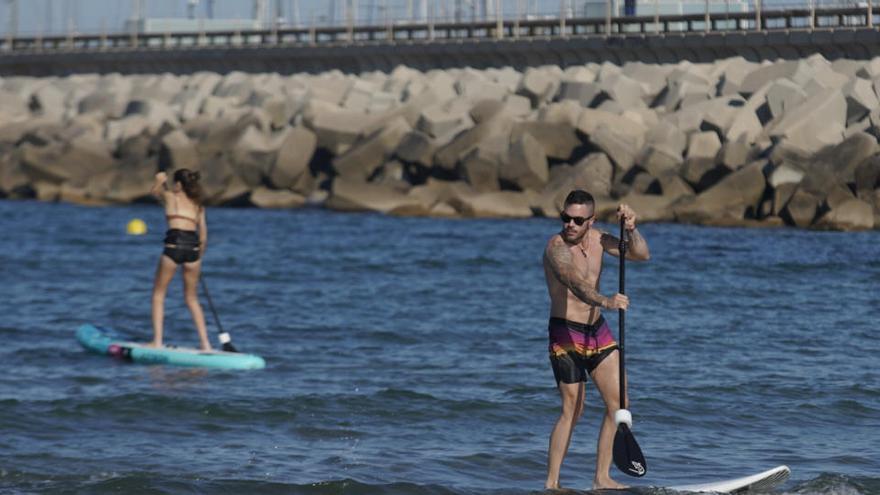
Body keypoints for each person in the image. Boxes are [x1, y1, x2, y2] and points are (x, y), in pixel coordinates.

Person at [542, 190, 650, 490]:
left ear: (592, 220)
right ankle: (552, 484)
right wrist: (605, 301)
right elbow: (573, 282)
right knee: (573, 408)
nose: (570, 225)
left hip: (597, 330)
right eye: (566, 218)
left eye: (578, 220)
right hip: (565, 332)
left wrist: (631, 229)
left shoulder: (602, 239)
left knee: (620, 403)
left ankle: (601, 478)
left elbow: (641, 254)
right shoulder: (556, 247)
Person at [149, 169, 212, 351]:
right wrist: (199, 256)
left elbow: (154, 193)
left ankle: (157, 341)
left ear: (178, 184)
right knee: (192, 298)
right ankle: (205, 344)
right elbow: (204, 236)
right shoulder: (198, 205)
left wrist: (159, 180)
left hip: (173, 247)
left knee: (158, 295)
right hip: (193, 250)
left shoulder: (170, 197)